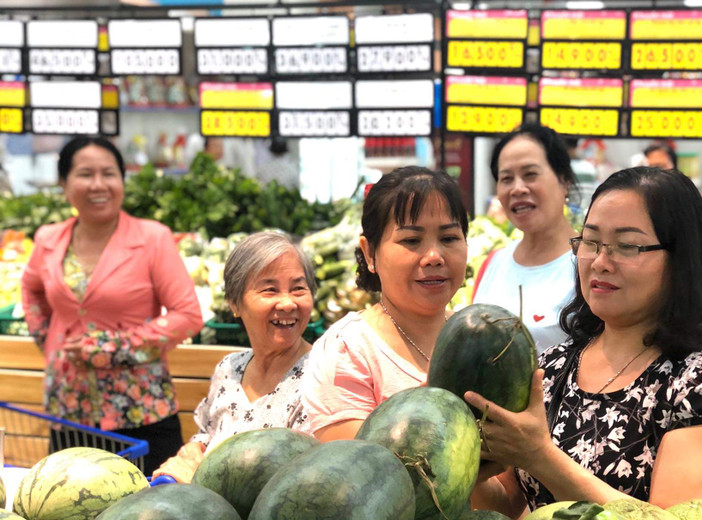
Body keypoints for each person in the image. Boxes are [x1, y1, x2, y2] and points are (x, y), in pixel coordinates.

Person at [467, 167, 702, 517]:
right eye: (590, 242)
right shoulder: (553, 367)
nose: (601, 262)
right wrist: (470, 463)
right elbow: (506, 507)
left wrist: (540, 456)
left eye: (626, 246)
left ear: (680, 259)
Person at [21, 137, 203, 475]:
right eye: (85, 174)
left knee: (148, 514)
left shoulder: (153, 238)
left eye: (109, 173)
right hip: (69, 410)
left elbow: (187, 316)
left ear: (122, 180)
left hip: (141, 411)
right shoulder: (49, 239)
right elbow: (31, 289)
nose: (98, 185)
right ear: (64, 183)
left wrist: (109, 347)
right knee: (68, 513)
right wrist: (49, 341)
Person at [300, 166, 469, 441]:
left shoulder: (475, 337)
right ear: (370, 253)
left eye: (449, 238)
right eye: (411, 240)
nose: (434, 256)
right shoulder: (349, 351)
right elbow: (358, 470)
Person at [154, 231, 317, 482]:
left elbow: (294, 481)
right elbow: (206, 436)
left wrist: (198, 475)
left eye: (298, 289)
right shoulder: (229, 368)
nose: (287, 303)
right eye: (270, 290)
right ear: (234, 303)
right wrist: (190, 453)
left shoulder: (322, 377)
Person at [472, 124, 578, 354]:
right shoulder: (493, 264)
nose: (517, 188)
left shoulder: (590, 263)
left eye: (530, 174)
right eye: (506, 178)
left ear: (564, 180)